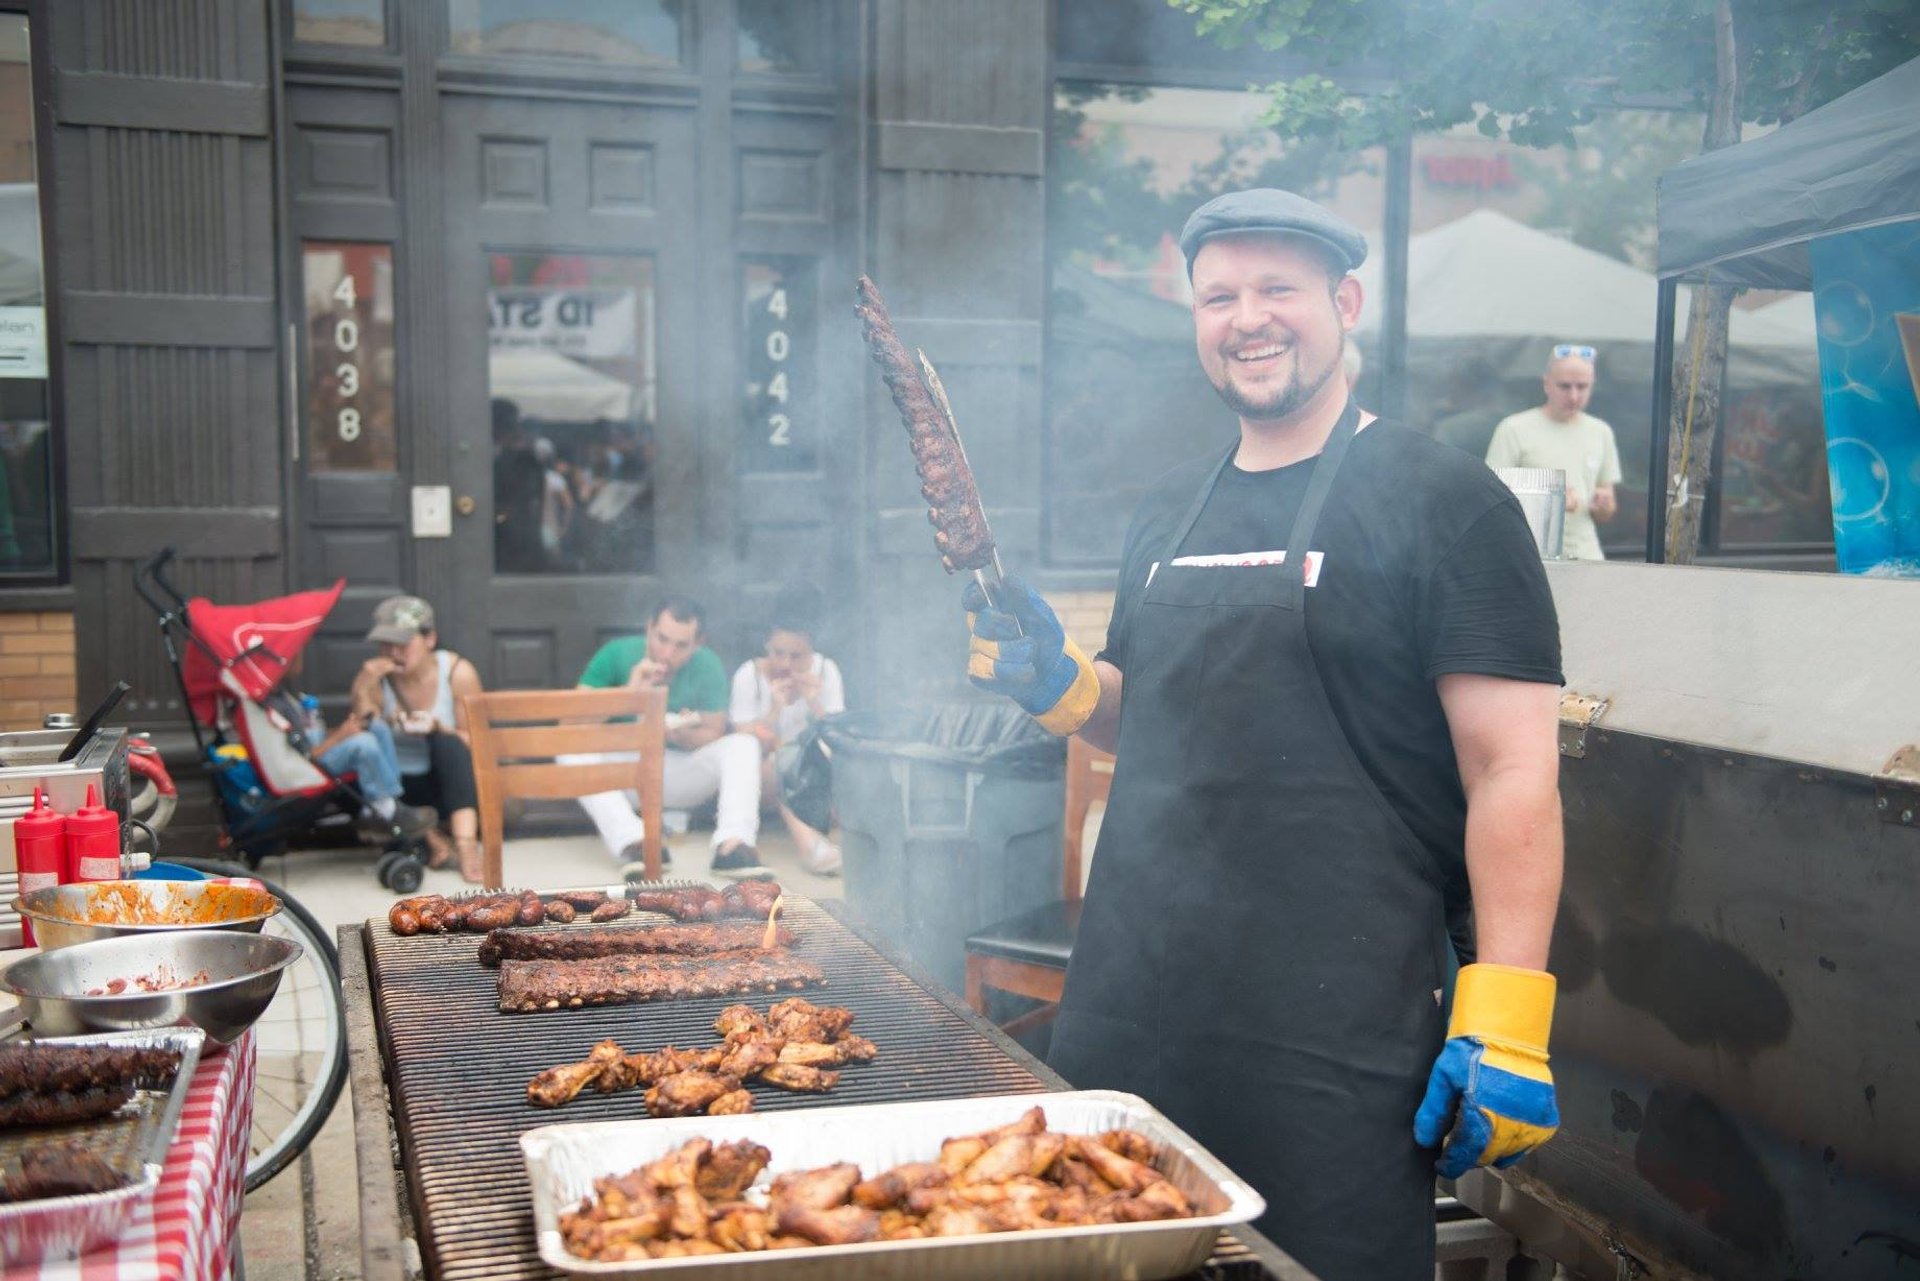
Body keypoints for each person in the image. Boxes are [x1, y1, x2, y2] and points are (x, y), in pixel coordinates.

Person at [962, 188, 1565, 1279]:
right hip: (1133, 998)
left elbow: (1511, 767)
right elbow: (1148, 718)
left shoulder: (1447, 500)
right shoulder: (1170, 507)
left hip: (1333, 1027)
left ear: (1344, 302)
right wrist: (1060, 686)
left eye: (1277, 289)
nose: (1249, 317)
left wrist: (1509, 1017)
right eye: (1219, 295)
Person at [576, 596, 765, 876]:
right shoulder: (616, 653)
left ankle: (733, 845)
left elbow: (714, 730)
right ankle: (637, 843)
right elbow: (572, 718)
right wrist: (629, 693)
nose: (667, 653)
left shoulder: (707, 665)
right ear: (649, 628)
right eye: (661, 639)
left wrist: (676, 733)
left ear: (698, 643)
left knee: (744, 743)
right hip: (625, 775)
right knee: (572, 748)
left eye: (681, 646)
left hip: (680, 771)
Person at [353, 596, 485, 881]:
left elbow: (479, 744)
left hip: (446, 783)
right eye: (386, 644)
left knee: (447, 744)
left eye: (403, 643)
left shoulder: (457, 672)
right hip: (399, 789)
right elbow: (361, 731)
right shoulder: (376, 677)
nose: (393, 652)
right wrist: (363, 687)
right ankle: (429, 836)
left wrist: (439, 727)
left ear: (430, 639)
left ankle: (465, 845)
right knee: (367, 764)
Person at [728, 586, 846, 876]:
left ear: (812, 651)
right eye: (778, 653)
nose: (785, 664)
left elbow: (841, 738)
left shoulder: (827, 671)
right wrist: (775, 710)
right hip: (766, 780)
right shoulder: (749, 675)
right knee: (781, 763)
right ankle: (811, 847)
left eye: (797, 656)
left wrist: (814, 703)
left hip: (819, 779)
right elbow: (741, 742)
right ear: (767, 646)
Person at [1485, 345, 1622, 560]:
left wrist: (1602, 505)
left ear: (1592, 387)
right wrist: (1549, 504)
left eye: (1582, 386)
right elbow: (1490, 503)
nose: (1574, 395)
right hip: (1532, 558)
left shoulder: (1600, 431)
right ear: (1546, 384)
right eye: (1565, 386)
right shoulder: (1512, 429)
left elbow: (1607, 509)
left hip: (1588, 558)